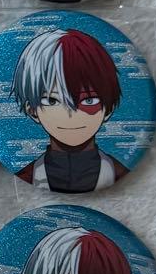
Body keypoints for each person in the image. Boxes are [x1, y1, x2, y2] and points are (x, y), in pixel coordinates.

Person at [11, 28, 127, 192]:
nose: (70, 115)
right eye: (52, 101)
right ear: (32, 110)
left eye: (88, 100)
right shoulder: (27, 175)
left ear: (108, 108)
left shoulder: (118, 171)